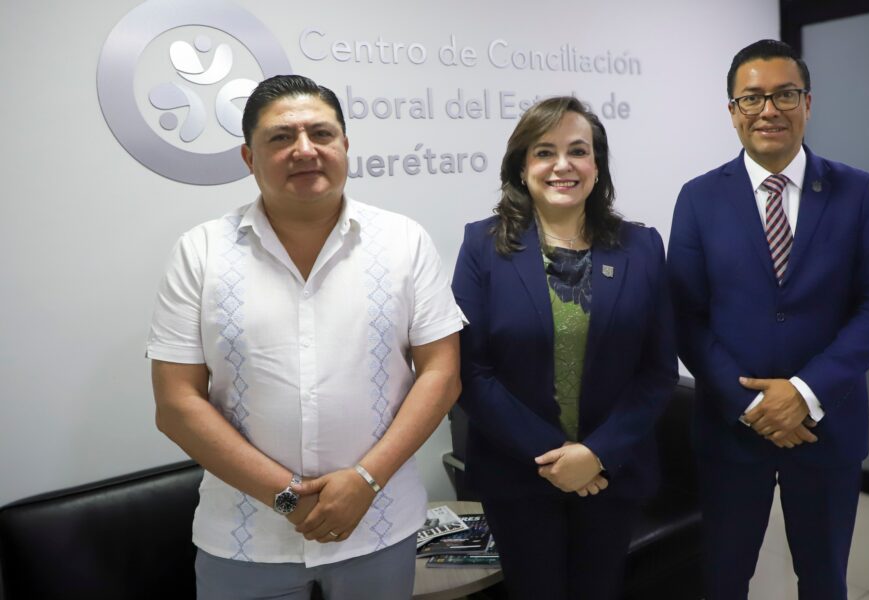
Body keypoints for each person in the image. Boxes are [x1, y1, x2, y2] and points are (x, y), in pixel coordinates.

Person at [146, 74, 465, 599]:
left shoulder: (403, 241)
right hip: (246, 538)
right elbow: (176, 404)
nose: (304, 150)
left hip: (380, 524)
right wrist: (289, 498)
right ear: (249, 158)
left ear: (344, 145)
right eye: (281, 137)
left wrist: (365, 480)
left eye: (321, 134)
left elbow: (442, 373)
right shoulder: (200, 253)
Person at [667, 40, 869, 599]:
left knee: (823, 580)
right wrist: (752, 405)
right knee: (723, 580)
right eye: (752, 98)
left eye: (785, 95)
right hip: (731, 430)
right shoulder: (699, 198)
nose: (768, 110)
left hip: (827, 426)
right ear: (732, 111)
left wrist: (804, 392)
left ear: (808, 103)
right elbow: (686, 317)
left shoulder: (857, 191)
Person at [451, 96, 678, 599]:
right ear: (522, 166)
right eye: (544, 152)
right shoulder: (482, 246)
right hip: (518, 473)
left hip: (611, 473)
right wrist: (556, 459)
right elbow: (470, 370)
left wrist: (596, 454)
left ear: (597, 166)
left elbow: (658, 370)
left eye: (578, 151)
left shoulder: (641, 248)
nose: (562, 165)